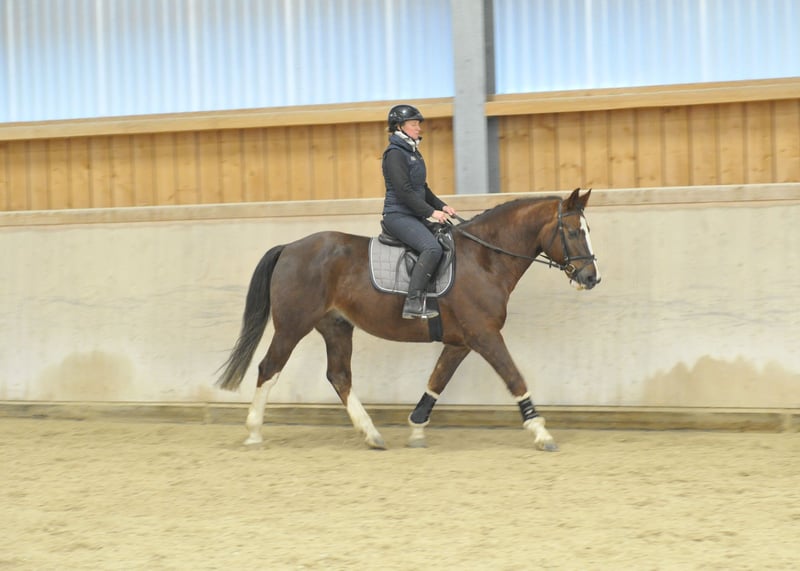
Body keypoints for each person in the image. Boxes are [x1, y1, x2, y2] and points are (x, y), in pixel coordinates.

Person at [381, 104, 458, 319]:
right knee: (432, 248)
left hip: (413, 214)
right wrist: (431, 213)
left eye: (418, 124)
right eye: (413, 124)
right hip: (398, 215)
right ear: (399, 127)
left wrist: (442, 206)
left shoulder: (412, 151)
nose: (418, 128)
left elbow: (422, 188)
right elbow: (404, 191)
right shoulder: (395, 154)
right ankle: (413, 302)